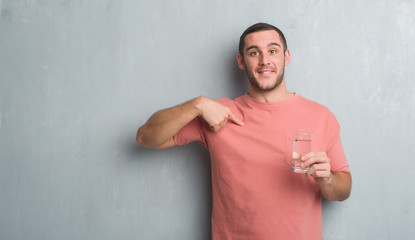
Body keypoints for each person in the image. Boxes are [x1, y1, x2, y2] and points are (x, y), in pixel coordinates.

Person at [136, 23, 352, 240]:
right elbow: (145, 137)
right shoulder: (218, 113)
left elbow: (344, 189)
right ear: (241, 61)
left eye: (273, 51)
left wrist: (328, 180)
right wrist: (197, 104)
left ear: (286, 57)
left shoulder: (320, 116)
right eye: (254, 52)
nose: (264, 60)